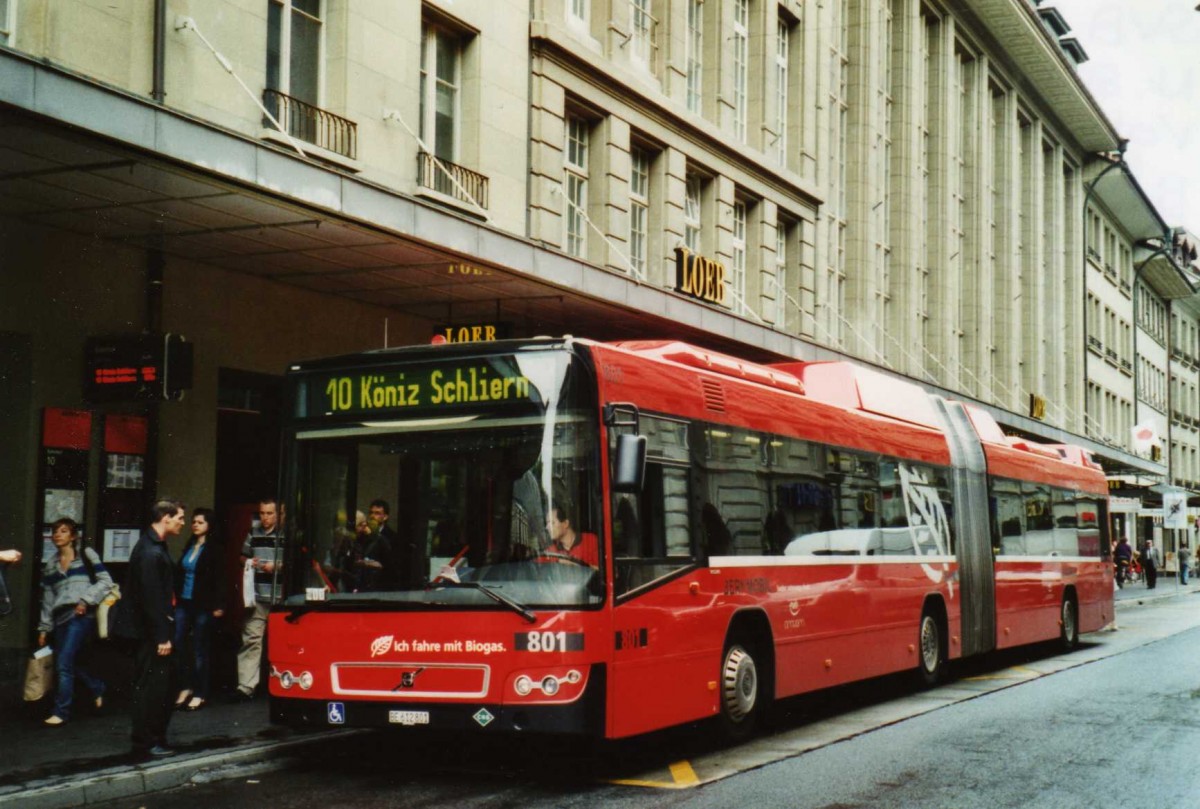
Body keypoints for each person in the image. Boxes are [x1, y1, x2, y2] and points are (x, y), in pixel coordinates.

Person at [36, 518, 113, 726]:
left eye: (63, 531)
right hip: (60, 618)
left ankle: (61, 712)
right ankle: (97, 687)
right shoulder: (51, 565)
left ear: (73, 536)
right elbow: (48, 600)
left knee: (63, 663)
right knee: (69, 662)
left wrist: (86, 599)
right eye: (54, 532)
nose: (57, 535)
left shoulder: (86, 555)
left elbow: (106, 581)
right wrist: (44, 628)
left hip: (80, 616)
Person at [128, 499, 186, 757]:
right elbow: (152, 599)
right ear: (166, 517)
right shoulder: (151, 552)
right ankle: (147, 741)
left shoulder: (153, 546)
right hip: (153, 634)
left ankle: (154, 738)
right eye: (180, 518)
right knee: (152, 687)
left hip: (155, 631)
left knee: (161, 686)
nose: (182, 522)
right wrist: (162, 637)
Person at [173, 508, 224, 712]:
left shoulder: (215, 548)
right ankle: (186, 686)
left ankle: (200, 692)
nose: (195, 525)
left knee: (199, 648)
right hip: (184, 602)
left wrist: (220, 605)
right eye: (193, 521)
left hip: (203, 604)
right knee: (177, 642)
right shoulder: (189, 546)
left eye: (200, 522)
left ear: (209, 525)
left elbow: (220, 578)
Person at [236, 498, 282, 699]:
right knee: (252, 640)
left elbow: (295, 562)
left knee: (279, 642)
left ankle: (279, 684)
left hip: (279, 598)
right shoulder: (253, 532)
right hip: (257, 596)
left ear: (278, 514)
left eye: (270, 513)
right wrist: (249, 561)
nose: (265, 517)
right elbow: (241, 556)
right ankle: (246, 687)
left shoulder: (285, 535)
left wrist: (278, 566)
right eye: (262, 513)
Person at [544, 499, 599, 567]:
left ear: (566, 524)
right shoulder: (551, 551)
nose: (547, 527)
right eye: (547, 524)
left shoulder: (590, 540)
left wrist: (576, 565)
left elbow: (605, 571)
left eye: (552, 523)